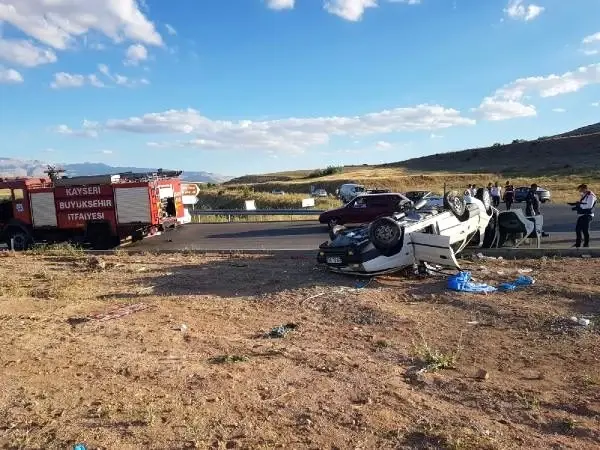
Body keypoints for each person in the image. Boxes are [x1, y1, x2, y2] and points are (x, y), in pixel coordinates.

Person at [568, 184, 597, 248]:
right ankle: (578, 244)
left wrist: (579, 206)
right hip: (582, 214)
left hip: (588, 215)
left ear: (585, 189)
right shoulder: (585, 195)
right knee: (578, 229)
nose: (580, 191)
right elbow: (583, 204)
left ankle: (586, 244)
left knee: (585, 230)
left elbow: (589, 206)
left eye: (580, 189)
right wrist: (575, 205)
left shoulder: (590, 196)